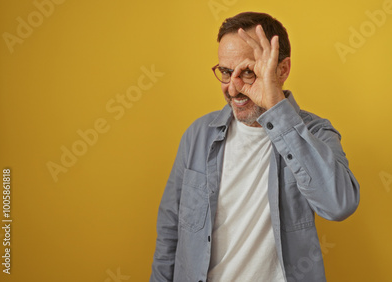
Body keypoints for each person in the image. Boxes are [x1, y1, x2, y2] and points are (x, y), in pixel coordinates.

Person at [150, 11, 360, 282]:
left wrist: (276, 109)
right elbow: (170, 231)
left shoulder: (316, 132)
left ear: (282, 70)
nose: (233, 88)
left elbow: (339, 204)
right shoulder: (198, 136)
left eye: (248, 73)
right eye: (226, 72)